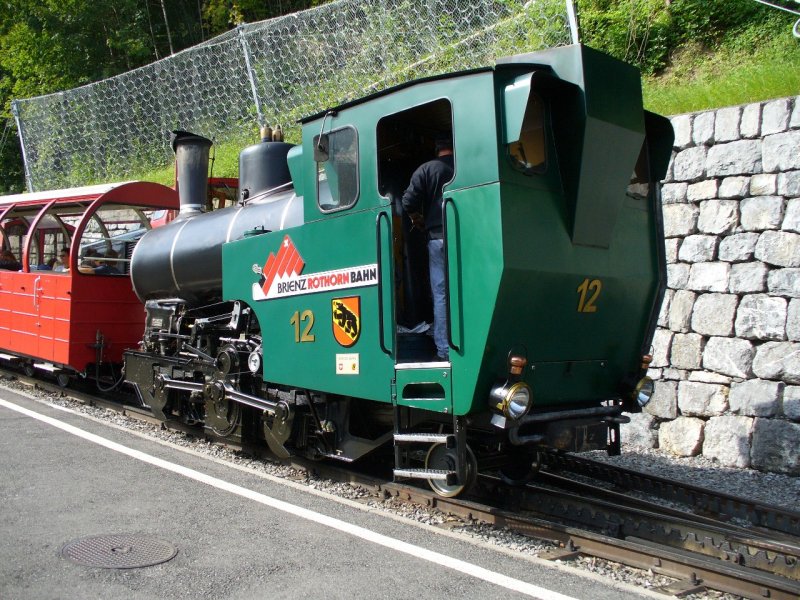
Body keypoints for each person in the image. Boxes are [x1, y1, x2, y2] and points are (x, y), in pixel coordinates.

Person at [400, 131, 455, 361]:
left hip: (437, 237)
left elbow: (407, 201)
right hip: (467, 237)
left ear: (437, 149)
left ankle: (444, 349)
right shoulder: (464, 166)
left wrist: (417, 219)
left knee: (441, 294)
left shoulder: (428, 169)